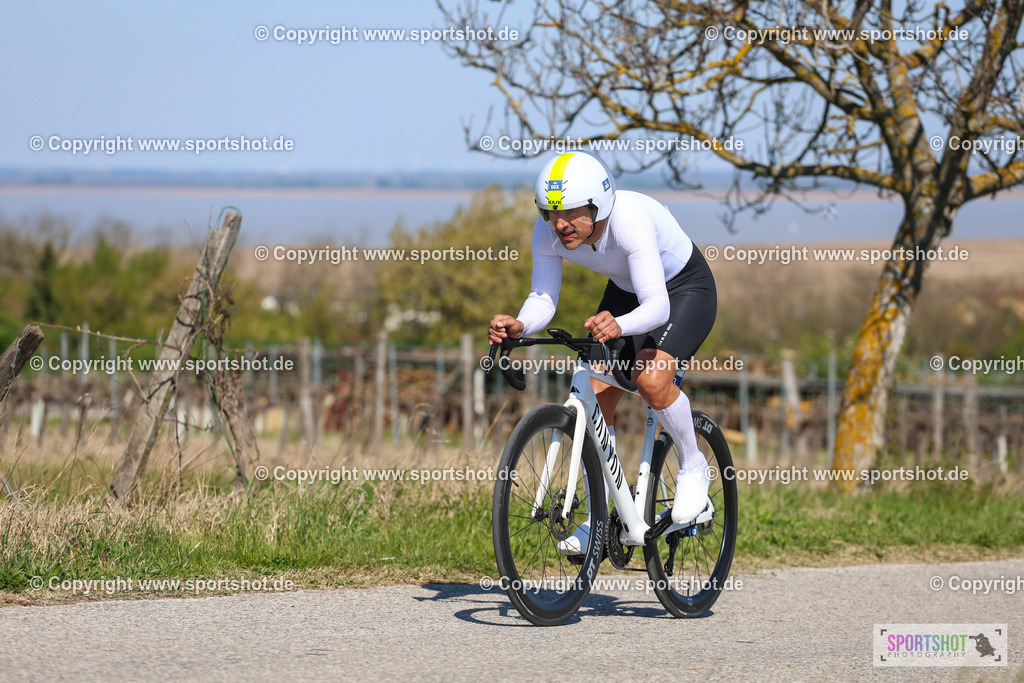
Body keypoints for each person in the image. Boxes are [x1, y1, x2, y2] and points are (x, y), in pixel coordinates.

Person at [487, 151, 718, 555]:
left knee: (651, 380)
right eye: (549, 212)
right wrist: (521, 324)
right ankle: (598, 520)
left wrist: (620, 326)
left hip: (683, 290)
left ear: (599, 205)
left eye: (570, 213)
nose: (559, 224)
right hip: (627, 290)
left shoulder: (630, 220)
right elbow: (543, 297)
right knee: (594, 393)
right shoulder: (548, 233)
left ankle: (694, 466)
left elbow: (657, 308)